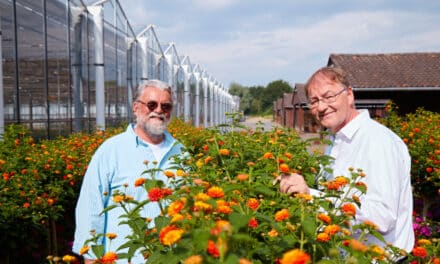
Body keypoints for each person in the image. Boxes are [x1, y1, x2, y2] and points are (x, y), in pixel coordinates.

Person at [278, 67, 414, 254]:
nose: (322, 107)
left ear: (349, 95)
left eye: (329, 96)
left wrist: (310, 195)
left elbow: (381, 217)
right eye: (314, 101)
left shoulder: (377, 141)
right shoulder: (336, 140)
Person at [72, 80, 186, 263]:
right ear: (136, 107)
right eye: (151, 104)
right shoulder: (111, 150)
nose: (158, 111)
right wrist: (91, 258)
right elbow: (91, 206)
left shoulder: (180, 152)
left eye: (166, 106)